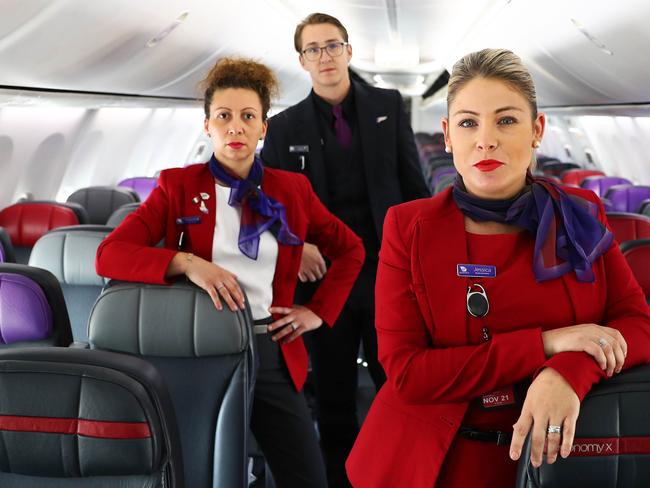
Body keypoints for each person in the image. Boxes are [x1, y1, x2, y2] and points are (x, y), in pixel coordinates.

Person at [346, 48, 650, 487]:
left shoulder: (581, 212)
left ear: (537, 130)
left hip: (565, 454)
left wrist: (567, 370)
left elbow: (636, 323)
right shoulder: (409, 227)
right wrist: (546, 345)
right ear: (448, 136)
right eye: (469, 122)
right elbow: (409, 373)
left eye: (506, 120)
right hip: (441, 459)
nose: (485, 139)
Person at [95, 57, 365, 488]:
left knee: (308, 475)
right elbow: (108, 255)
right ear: (207, 126)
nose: (235, 127)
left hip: (270, 349)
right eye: (223, 116)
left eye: (247, 117)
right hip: (196, 351)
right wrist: (187, 263)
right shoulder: (176, 187)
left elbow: (351, 250)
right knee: (196, 472)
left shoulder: (292, 191)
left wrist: (317, 312)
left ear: (263, 128)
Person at [260, 13, 430, 486]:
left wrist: (422, 263)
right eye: (313, 49)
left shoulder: (388, 105)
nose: (325, 56)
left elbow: (413, 189)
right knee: (333, 396)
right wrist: (301, 242)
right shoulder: (283, 126)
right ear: (302, 61)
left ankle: (401, 474)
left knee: (397, 386)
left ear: (349, 51)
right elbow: (268, 208)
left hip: (386, 271)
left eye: (332, 46)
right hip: (325, 279)